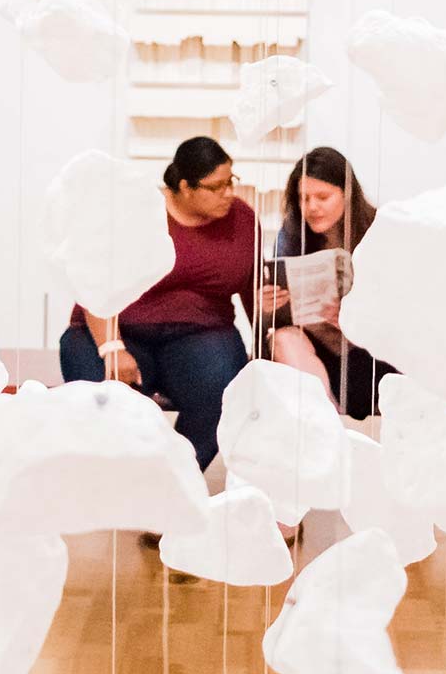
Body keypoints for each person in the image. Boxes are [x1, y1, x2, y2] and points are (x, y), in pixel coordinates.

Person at [58, 137, 257, 472]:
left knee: (224, 388)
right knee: (98, 394)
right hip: (120, 329)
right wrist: (112, 347)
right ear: (184, 187)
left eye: (230, 181)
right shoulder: (134, 212)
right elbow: (93, 281)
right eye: (216, 186)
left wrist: (268, 346)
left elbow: (254, 290)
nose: (228, 193)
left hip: (200, 334)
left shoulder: (242, 220)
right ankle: (122, 485)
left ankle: (173, 483)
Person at [263, 147, 398, 418]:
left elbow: (401, 311)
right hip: (315, 353)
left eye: (323, 197)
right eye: (304, 198)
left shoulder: (380, 230)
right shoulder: (291, 235)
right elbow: (273, 323)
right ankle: (326, 421)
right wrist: (267, 307)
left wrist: (354, 320)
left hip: (368, 352)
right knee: (283, 338)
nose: (312, 207)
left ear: (347, 192)